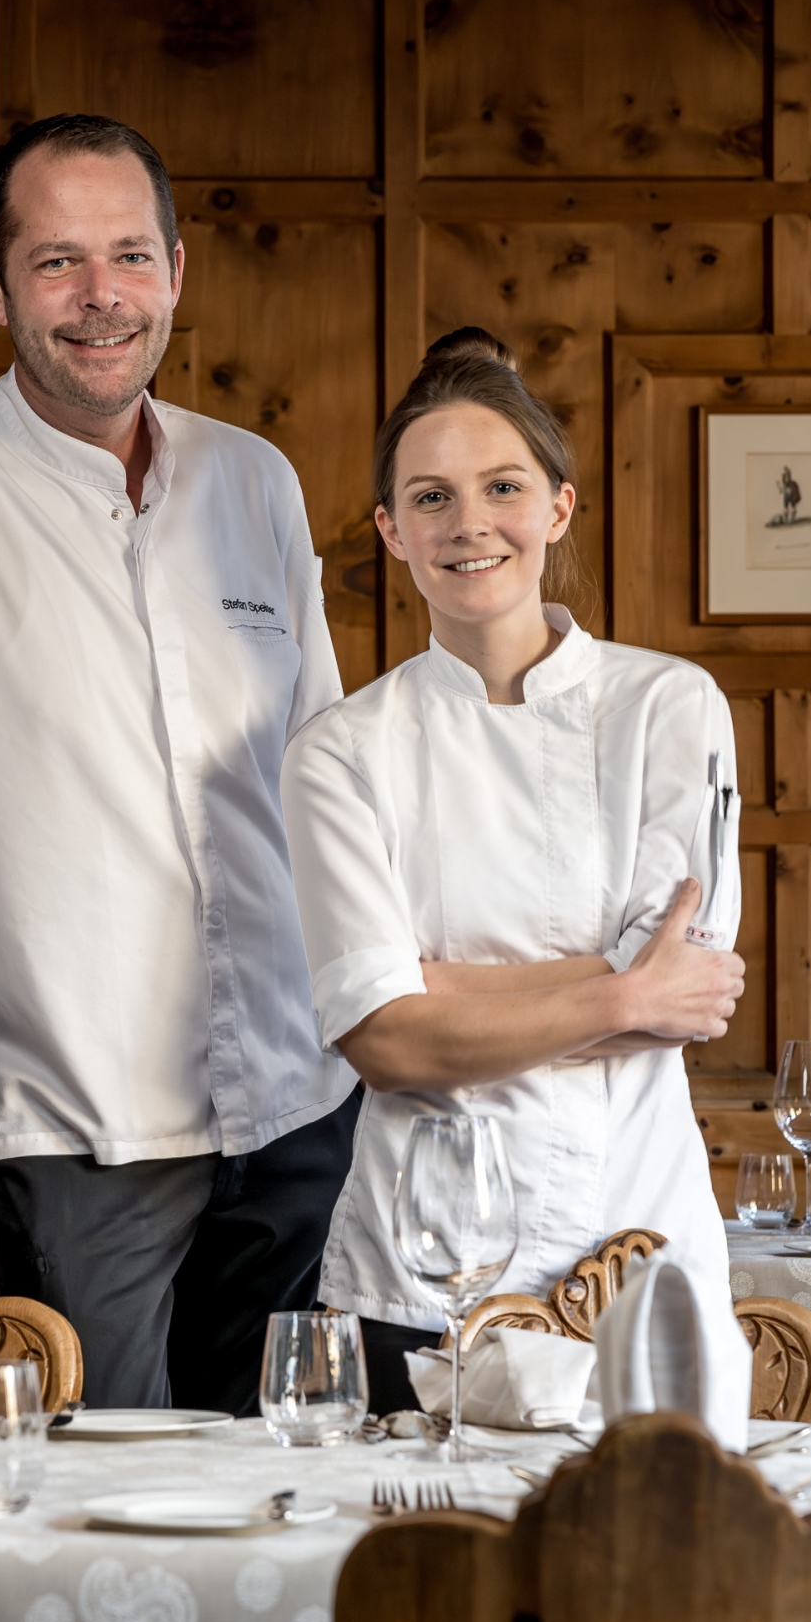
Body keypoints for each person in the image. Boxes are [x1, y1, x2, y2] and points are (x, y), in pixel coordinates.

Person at [0, 113, 358, 1413]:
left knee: (300, 1512)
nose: (100, 296)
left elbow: (328, 782)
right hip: (76, 1136)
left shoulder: (256, 484)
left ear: (176, 269)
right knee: (114, 1520)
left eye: (127, 255)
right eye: (57, 262)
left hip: (302, 1118)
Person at [279, 329, 746, 1408]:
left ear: (558, 508)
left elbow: (690, 993)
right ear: (392, 531)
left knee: (657, 1566)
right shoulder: (341, 750)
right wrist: (619, 988)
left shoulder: (670, 707)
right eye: (431, 498)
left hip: (645, 1241)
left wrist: (440, 986)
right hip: (422, 1270)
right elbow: (387, 1042)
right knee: (430, 1570)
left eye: (501, 486)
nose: (469, 523)